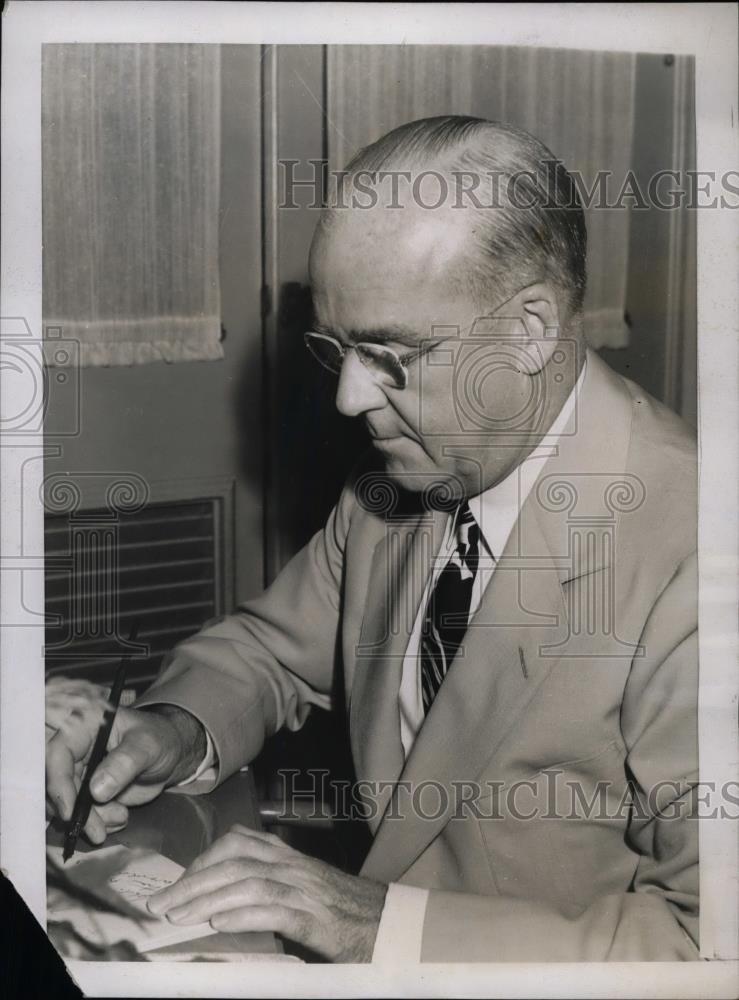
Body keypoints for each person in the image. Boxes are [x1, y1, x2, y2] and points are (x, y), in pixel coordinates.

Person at [46, 116, 698, 962]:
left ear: (532, 329)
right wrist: (172, 731)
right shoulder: (411, 474)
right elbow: (273, 653)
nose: (350, 398)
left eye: (390, 354)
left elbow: (704, 948)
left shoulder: (693, 550)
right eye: (338, 349)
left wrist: (380, 925)